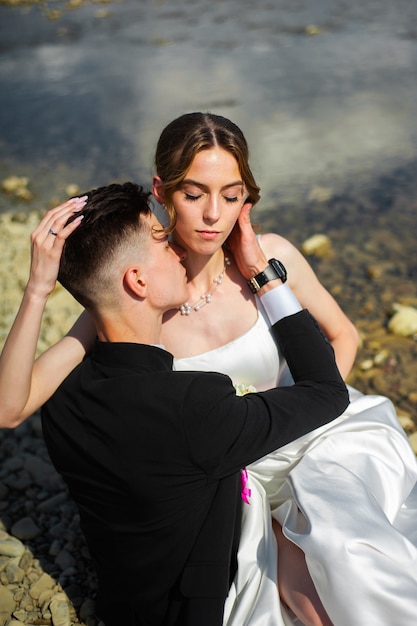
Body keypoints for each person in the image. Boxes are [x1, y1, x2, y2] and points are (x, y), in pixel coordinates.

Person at [1, 112, 417, 625]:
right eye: (195, 194)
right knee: (291, 568)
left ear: (248, 197)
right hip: (222, 470)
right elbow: (11, 405)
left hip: (314, 437)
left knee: (344, 544)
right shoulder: (140, 292)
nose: (214, 215)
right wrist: (37, 288)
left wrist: (305, 431)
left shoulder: (275, 255)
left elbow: (342, 337)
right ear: (163, 192)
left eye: (232, 194)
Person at [26, 181, 347, 626]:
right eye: (161, 242)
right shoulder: (194, 405)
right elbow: (328, 392)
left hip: (123, 601)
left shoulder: (62, 399)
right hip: (199, 608)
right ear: (136, 280)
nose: (177, 250)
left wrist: (38, 289)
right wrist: (262, 272)